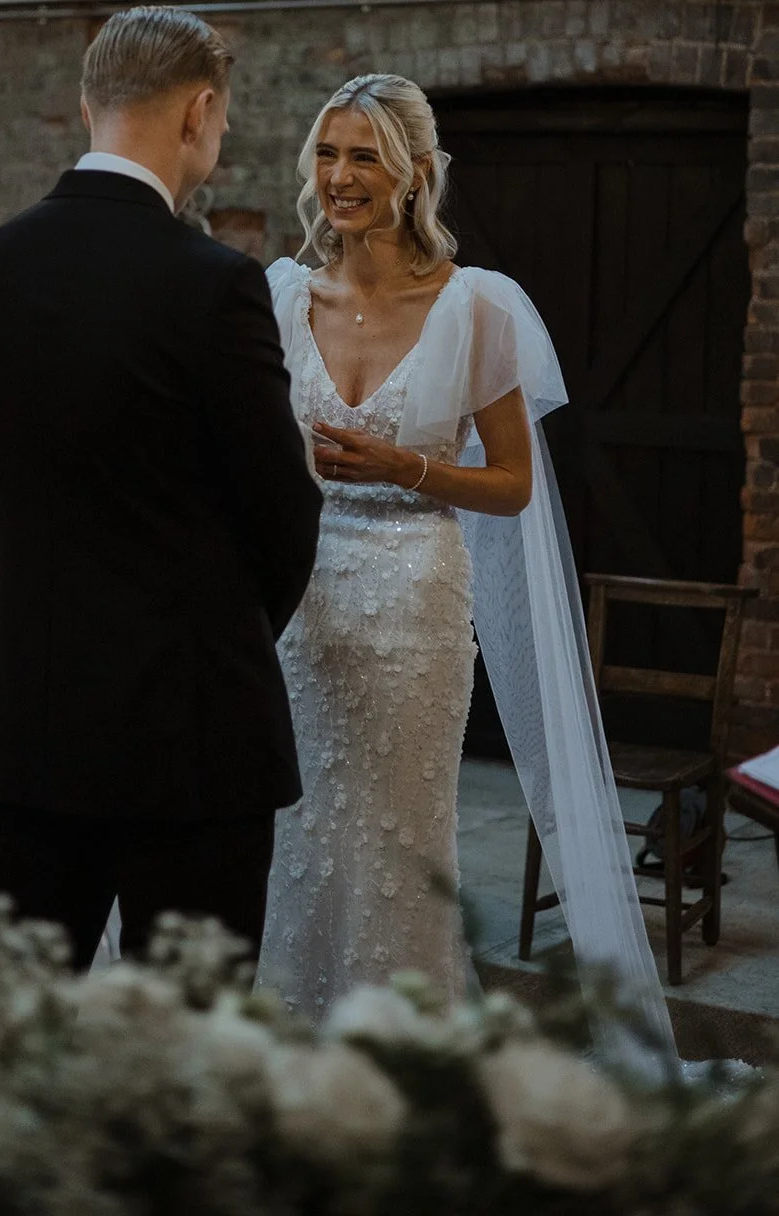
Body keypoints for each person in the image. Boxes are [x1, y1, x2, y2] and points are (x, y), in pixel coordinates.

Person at [260, 74, 675, 1061]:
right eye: (328, 153)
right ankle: (288, 1043)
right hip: (301, 603)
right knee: (298, 830)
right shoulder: (281, 295)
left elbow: (515, 485)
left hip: (416, 596)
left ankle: (405, 1055)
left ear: (412, 175)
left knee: (398, 835)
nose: (341, 176)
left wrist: (409, 465)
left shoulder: (476, 308)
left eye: (365, 156)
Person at [0, 5, 321, 972]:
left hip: (31, 717)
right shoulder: (211, 283)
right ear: (198, 112)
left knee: (13, 1028)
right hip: (188, 733)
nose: (218, 140)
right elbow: (284, 514)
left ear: (84, 107)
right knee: (186, 1049)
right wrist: (210, 632)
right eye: (223, 122)